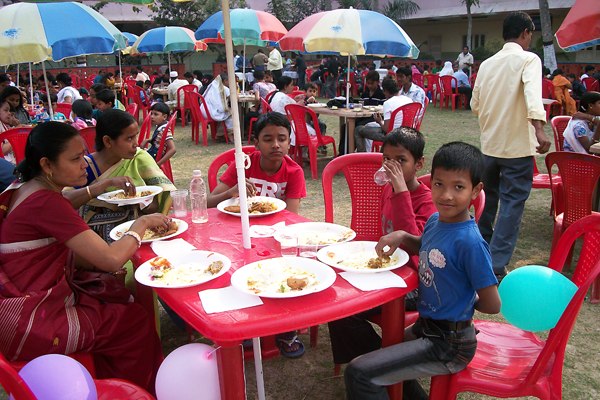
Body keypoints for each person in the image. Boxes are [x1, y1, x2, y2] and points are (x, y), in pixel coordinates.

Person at [0, 122, 165, 393]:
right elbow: (111, 259)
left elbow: (65, 206)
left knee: (113, 297)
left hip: (14, 308)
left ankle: (110, 379)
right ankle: (134, 391)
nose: (84, 165)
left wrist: (101, 186)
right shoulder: (46, 203)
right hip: (31, 321)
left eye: (84, 156)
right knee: (132, 321)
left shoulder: (25, 188)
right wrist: (142, 224)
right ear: (47, 164)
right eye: (76, 159)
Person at [344, 141, 501, 400]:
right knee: (378, 359)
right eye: (439, 184)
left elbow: (493, 304)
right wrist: (403, 236)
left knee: (360, 372)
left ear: (476, 190)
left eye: (458, 187)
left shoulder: (470, 243)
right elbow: (425, 246)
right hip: (425, 327)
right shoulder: (437, 220)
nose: (446, 195)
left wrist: (464, 301)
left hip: (449, 343)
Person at [328, 127, 437, 365]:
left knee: (345, 309)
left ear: (418, 164)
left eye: (401, 160)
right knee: (338, 304)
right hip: (388, 271)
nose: (392, 166)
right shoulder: (388, 188)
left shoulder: (427, 202)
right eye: (387, 159)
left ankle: (381, 364)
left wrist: (402, 192)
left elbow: (412, 245)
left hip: (414, 283)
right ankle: (378, 360)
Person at [471, 11, 550, 280]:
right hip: (517, 148)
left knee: (487, 201)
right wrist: (539, 128)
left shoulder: (486, 64)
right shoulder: (529, 59)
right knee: (512, 205)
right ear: (526, 33)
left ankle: (481, 251)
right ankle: (495, 264)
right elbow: (532, 94)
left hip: (489, 146)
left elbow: (475, 104)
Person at [78, 109, 176, 241]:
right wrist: (107, 183)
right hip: (96, 238)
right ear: (108, 141)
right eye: (129, 138)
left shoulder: (140, 158)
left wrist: (143, 202)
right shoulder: (87, 167)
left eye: (136, 136)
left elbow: (157, 205)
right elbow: (67, 201)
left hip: (141, 234)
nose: (136, 143)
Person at [354, 77, 413, 152]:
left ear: (386, 91)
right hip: (407, 132)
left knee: (358, 130)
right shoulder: (408, 100)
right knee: (370, 125)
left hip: (393, 136)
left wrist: (379, 121)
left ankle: (362, 156)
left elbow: (386, 129)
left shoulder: (388, 103)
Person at [201, 73, 234, 142]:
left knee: (226, 112)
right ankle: (230, 134)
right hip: (211, 112)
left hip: (203, 110)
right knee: (232, 113)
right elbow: (233, 98)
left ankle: (220, 134)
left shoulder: (212, 86)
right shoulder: (224, 89)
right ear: (225, 81)